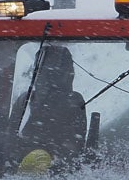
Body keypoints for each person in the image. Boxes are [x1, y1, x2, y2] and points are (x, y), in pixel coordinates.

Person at [10, 44, 86, 172]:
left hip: (61, 174)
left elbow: (75, 147)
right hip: (21, 169)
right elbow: (9, 140)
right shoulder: (26, 100)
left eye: (59, 71)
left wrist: (55, 156)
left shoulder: (74, 101)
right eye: (44, 70)